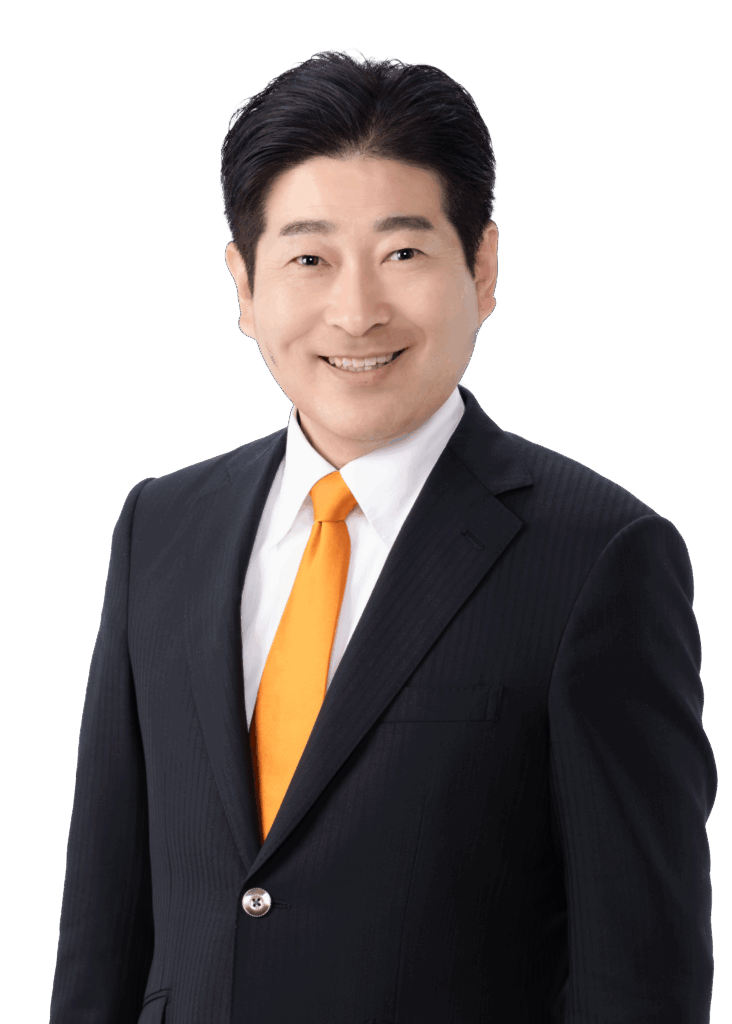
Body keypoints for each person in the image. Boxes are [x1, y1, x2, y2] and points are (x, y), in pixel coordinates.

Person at [49, 49, 717, 1024]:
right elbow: (102, 926)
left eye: (403, 254)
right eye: (308, 259)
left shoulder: (600, 555)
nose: (357, 311)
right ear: (244, 286)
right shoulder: (160, 526)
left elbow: (641, 978)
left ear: (481, 268)